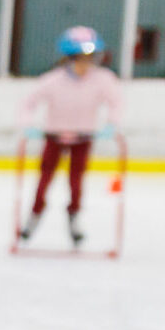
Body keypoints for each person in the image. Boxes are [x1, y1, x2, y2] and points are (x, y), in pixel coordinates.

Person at [15, 26, 123, 248]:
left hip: (83, 138)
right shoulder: (53, 80)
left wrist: (111, 124)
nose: (86, 64)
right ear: (69, 58)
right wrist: (28, 125)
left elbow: (117, 102)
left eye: (90, 58)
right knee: (44, 180)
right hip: (54, 137)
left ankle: (74, 219)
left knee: (76, 182)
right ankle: (33, 218)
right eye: (81, 58)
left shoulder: (102, 79)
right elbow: (28, 103)